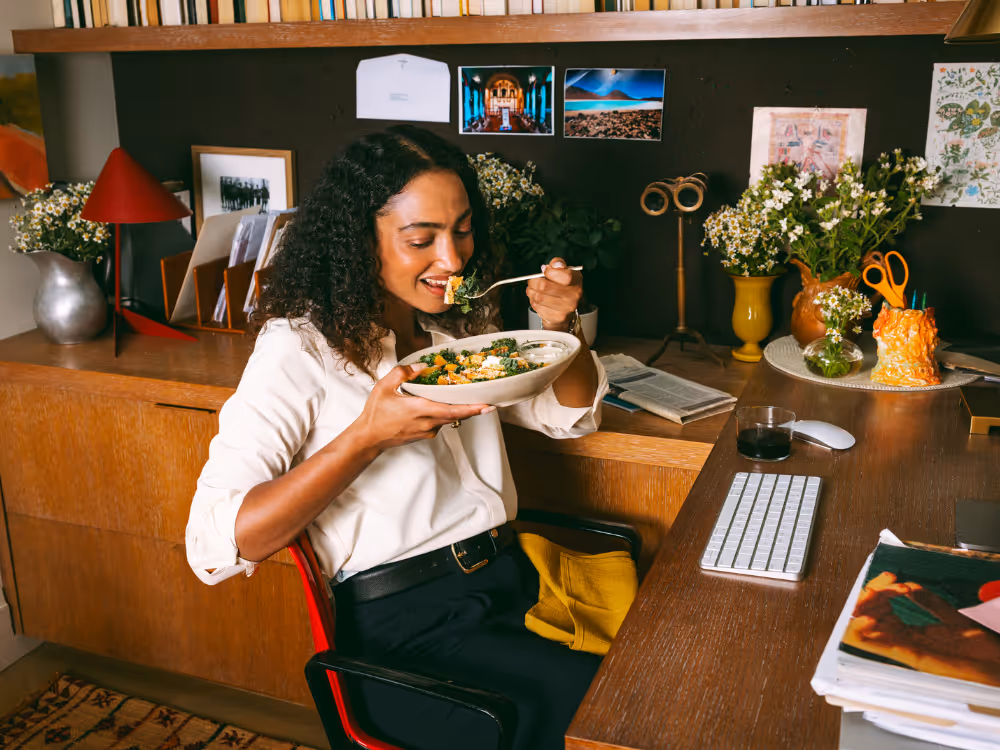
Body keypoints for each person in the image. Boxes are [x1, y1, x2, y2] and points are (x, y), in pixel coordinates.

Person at [185, 125, 610, 750]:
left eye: (463, 230)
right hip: (408, 639)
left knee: (656, 683)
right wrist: (366, 438)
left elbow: (567, 415)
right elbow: (215, 544)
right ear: (361, 242)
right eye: (422, 239)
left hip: (510, 590)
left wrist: (560, 326)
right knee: (615, 718)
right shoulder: (298, 350)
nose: (454, 260)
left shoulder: (452, 334)